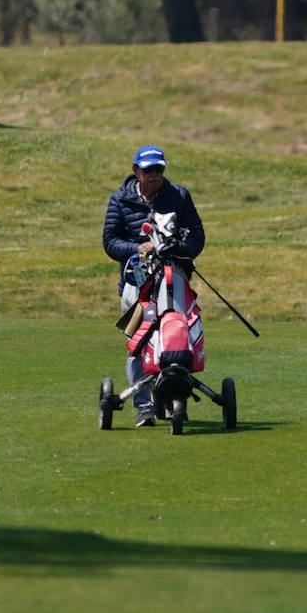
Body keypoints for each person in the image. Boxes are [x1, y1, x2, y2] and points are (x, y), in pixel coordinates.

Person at [102, 144, 206, 427]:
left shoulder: (179, 196)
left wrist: (182, 249)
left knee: (177, 331)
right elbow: (110, 242)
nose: (154, 175)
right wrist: (139, 248)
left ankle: (174, 393)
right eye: (148, 170)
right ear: (136, 171)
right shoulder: (120, 200)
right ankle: (144, 404)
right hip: (136, 280)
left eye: (158, 169)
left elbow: (197, 233)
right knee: (139, 340)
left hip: (175, 277)